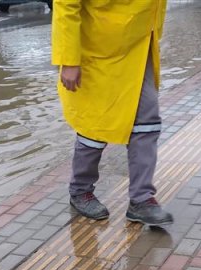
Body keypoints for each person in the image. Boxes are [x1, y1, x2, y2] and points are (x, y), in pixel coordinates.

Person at [52, 0, 173, 226]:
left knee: (147, 122)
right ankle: (80, 191)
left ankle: (141, 200)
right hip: (98, 51)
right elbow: (66, 5)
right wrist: (69, 60)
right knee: (95, 125)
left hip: (138, 45)